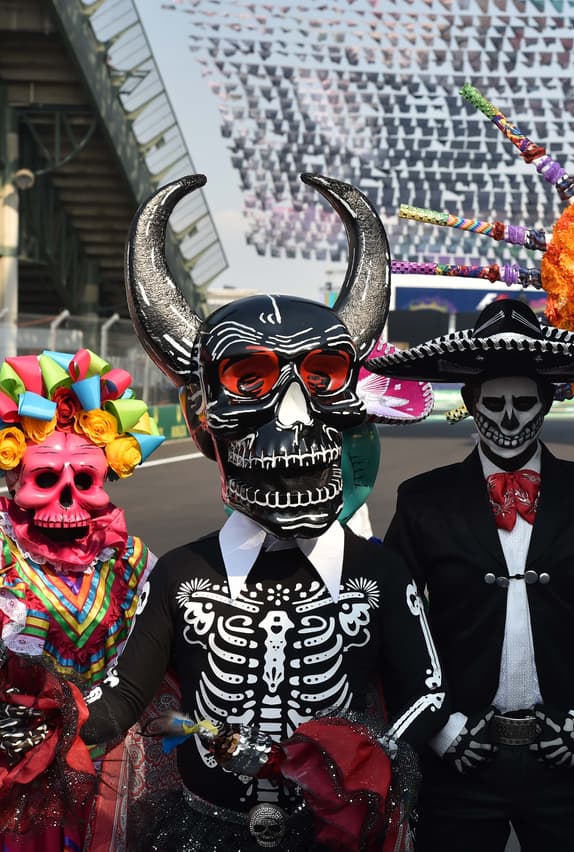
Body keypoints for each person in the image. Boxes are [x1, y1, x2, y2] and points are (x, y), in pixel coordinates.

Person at [27, 171, 453, 851]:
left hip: (335, 835)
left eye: (319, 381)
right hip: (203, 829)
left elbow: (426, 693)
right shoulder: (182, 573)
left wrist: (369, 754)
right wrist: (46, 721)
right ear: (208, 421)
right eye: (249, 382)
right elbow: (124, 696)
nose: (295, 420)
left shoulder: (379, 573)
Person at [375, 298, 574, 852]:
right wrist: (440, 726)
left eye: (523, 403)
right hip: (459, 762)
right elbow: (395, 625)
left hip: (567, 759)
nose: (507, 420)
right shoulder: (424, 500)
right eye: (493, 403)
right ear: (470, 402)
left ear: (546, 403)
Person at [0, 349, 165, 850]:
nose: (69, 498)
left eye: (86, 480)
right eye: (46, 479)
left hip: (113, 767)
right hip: (16, 775)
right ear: (13, 478)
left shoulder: (132, 560)